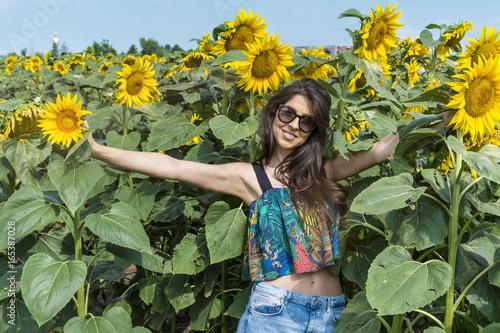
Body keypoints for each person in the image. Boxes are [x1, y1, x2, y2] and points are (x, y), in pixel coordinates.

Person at [86, 77, 451, 332]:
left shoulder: (323, 173)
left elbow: (380, 152)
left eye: (306, 121)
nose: (294, 125)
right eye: (288, 113)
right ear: (274, 113)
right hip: (277, 312)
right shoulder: (248, 176)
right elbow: (173, 166)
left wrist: (450, 117)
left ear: (315, 131)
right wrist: (100, 150)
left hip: (333, 314)